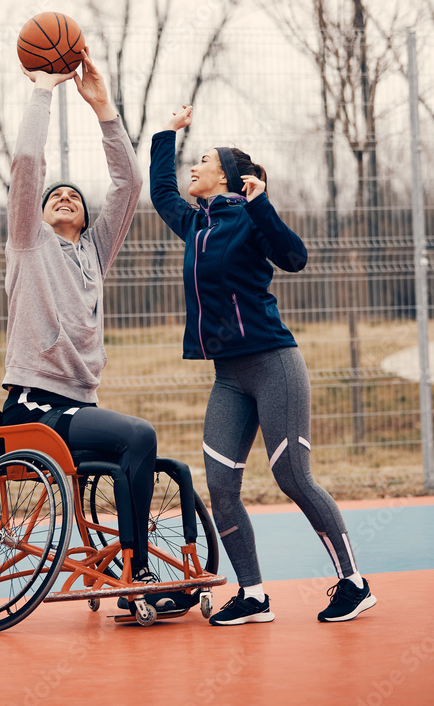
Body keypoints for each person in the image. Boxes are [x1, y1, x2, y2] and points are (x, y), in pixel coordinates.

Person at [149, 104, 377, 625]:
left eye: (202, 159)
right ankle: (252, 595)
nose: (194, 166)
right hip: (229, 376)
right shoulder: (195, 223)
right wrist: (167, 133)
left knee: (293, 477)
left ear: (227, 176)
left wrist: (262, 206)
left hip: (274, 363)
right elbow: (162, 191)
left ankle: (353, 582)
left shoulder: (250, 217)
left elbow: (294, 257)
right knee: (221, 487)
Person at [1, 47, 176, 612]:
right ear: (39, 210)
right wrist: (43, 91)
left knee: (138, 447)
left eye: (73, 195)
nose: (64, 197)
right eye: (55, 196)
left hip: (79, 406)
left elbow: (127, 187)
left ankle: (131, 573)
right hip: (34, 407)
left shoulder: (94, 254)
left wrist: (104, 109)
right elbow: (28, 165)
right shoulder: (28, 243)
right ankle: (138, 572)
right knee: (140, 435)